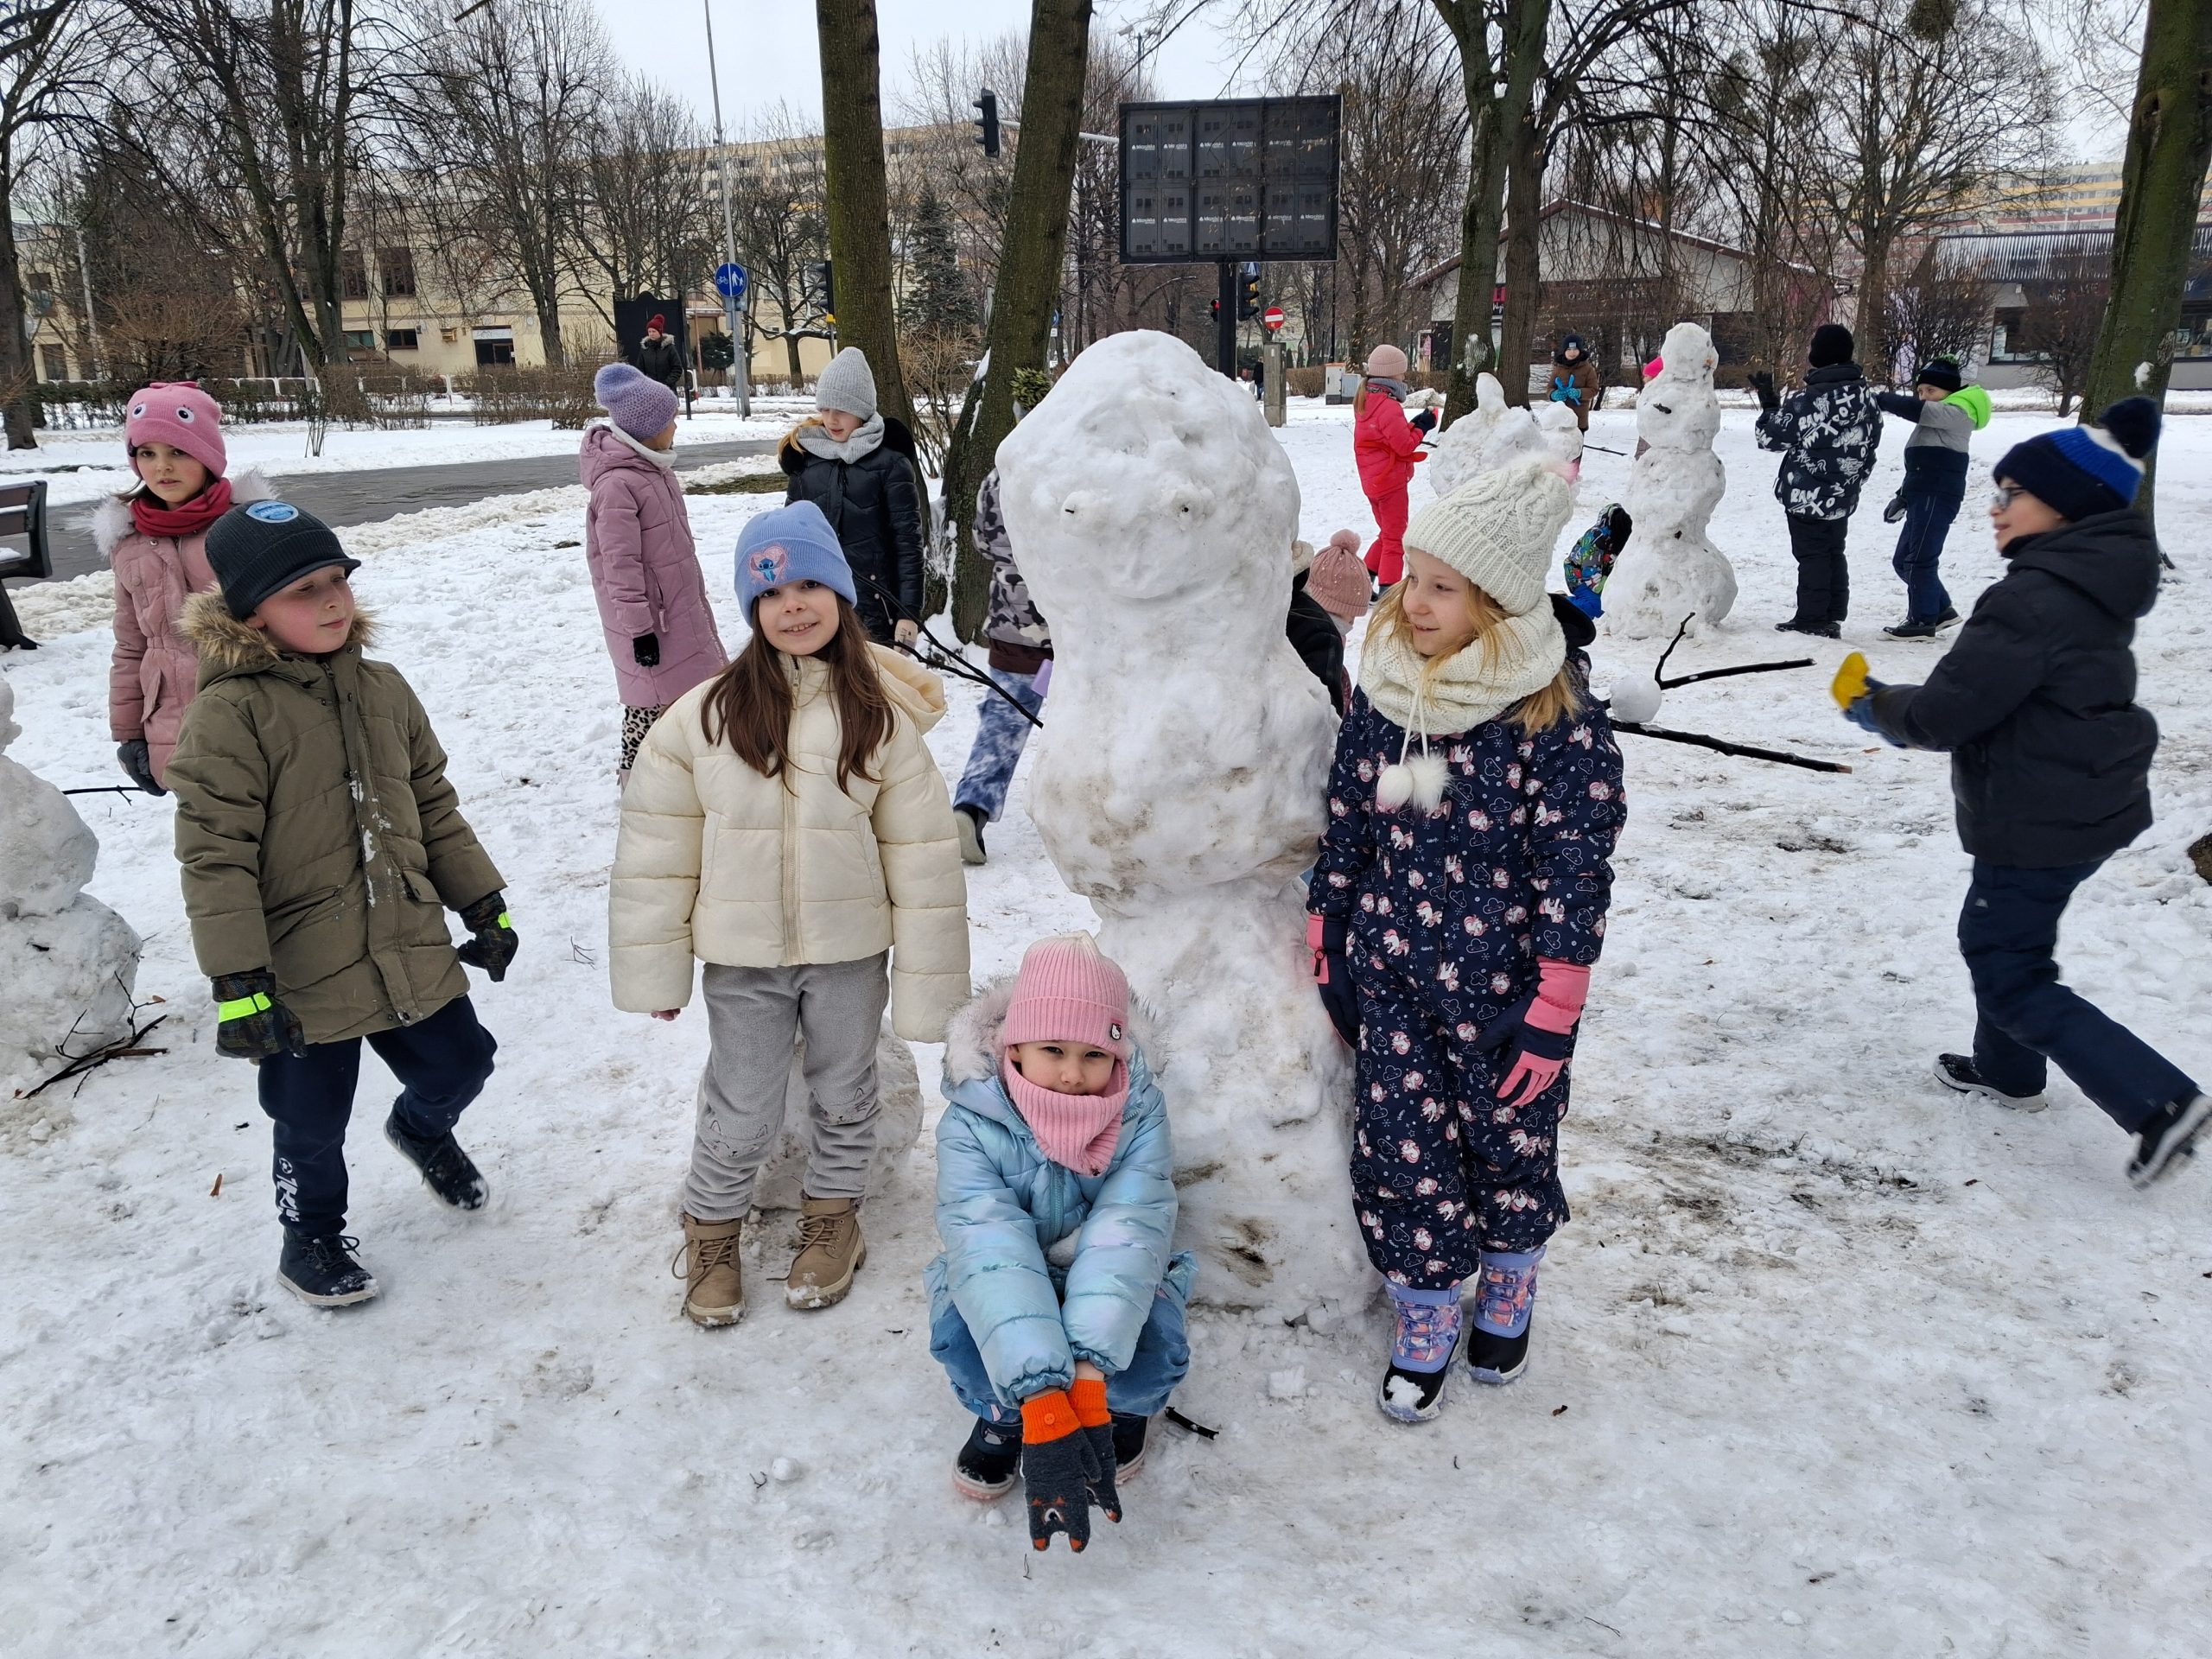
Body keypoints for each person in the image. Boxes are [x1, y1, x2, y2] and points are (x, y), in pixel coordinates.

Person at [1307, 458, 1625, 1423]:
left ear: (1497, 603)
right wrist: (1330, 922)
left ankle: (1510, 1279)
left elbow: (1576, 865)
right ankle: (1426, 1307)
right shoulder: (1386, 688)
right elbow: (1350, 818)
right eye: (1412, 579)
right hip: (1394, 973)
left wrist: (1556, 1002)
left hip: (1508, 992)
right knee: (1401, 1148)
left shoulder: (1552, 720)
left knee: (1507, 1144)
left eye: (1443, 588)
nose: (1415, 603)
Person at [611, 501, 969, 1325]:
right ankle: (710, 1228)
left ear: (841, 596)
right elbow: (655, 854)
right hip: (740, 961)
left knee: (846, 1095)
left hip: (849, 954)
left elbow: (923, 861)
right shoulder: (702, 718)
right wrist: (657, 969)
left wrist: (929, 992)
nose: (794, 606)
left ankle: (833, 1222)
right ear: (751, 610)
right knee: (741, 1103)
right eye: (772, 593)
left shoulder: (879, 718)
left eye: (811, 584)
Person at [1837, 397, 2207, 1188]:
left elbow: (1943, 714)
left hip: (2039, 812)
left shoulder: (2030, 599)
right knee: (2009, 939)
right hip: (2081, 800)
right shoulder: (2087, 585)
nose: (1995, 508)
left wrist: (1871, 704)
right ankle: (2007, 1070)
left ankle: (2161, 1102)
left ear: (2066, 506)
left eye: (2013, 494)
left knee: (2007, 966)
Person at [167, 503, 516, 1308]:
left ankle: (422, 1130)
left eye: (336, 583)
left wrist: (483, 902)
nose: (330, 602)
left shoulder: (384, 688)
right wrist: (240, 983)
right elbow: (214, 856)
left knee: (465, 1063)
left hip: (403, 937)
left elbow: (431, 802)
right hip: (297, 969)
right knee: (311, 1122)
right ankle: (311, 1236)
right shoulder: (230, 715)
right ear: (252, 612)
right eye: (302, 591)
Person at [925, 932, 1192, 1553]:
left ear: (1120, 1055)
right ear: (1013, 1046)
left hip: (1109, 1279)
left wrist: (1091, 1370)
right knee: (968, 1343)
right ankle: (1007, 1414)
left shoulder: (1138, 1112)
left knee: (1148, 1354)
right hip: (1005, 1275)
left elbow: (1131, 1228)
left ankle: (1120, 1411)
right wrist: (1044, 1392)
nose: (1074, 1075)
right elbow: (989, 1242)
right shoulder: (971, 1123)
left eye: (1095, 1055)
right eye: (1053, 1050)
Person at [99, 383, 278, 793]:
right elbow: (131, 645)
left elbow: (291, 625)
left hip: (257, 715)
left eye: (177, 451)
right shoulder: (129, 544)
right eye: (147, 453)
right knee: (209, 846)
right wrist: (129, 734)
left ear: (207, 456)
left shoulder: (249, 527)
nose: (162, 467)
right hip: (174, 724)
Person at [581, 363, 727, 783]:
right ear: (648, 428)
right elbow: (618, 566)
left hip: (678, 610)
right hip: (651, 626)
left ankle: (696, 776)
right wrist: (639, 630)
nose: (676, 425)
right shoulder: (618, 486)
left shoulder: (654, 471)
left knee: (694, 696)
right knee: (649, 704)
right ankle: (637, 783)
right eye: (670, 419)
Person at [780, 346, 927, 648]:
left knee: (871, 690)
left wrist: (908, 613)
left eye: (842, 410)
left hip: (874, 610)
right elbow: (790, 538)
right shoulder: (806, 461)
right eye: (825, 409)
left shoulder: (890, 464)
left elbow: (908, 543)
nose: (831, 419)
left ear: (861, 410)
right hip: (817, 607)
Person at [1751, 322, 1881, 639]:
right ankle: (1833, 611)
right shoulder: (1866, 398)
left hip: (1807, 493)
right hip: (1844, 491)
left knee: (1812, 555)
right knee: (1834, 549)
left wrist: (1769, 404)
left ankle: (1812, 619)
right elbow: (1871, 441)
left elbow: (1769, 438)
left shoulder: (1809, 400)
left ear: (1818, 356)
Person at [952, 467, 1050, 866]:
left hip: (1017, 629)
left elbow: (984, 540)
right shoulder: (1091, 458)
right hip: (1084, 633)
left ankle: (971, 807)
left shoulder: (1002, 474)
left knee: (1005, 721)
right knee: (1100, 722)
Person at [1872, 356, 1991, 639]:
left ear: (1950, 392)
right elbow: (1921, 466)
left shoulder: (1959, 413)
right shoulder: (1938, 418)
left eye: (1932, 391)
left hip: (1937, 496)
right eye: (1922, 391)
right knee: (1903, 561)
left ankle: (1922, 621)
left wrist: (1880, 398)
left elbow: (1915, 410)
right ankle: (1941, 610)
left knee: (1919, 561)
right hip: (1922, 495)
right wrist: (1903, 497)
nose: (1925, 397)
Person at [1352, 345, 1433, 588]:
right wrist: (1423, 427)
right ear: (1391, 374)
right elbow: (1404, 447)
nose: (1404, 377)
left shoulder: (1368, 399)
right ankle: (1389, 590)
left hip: (1374, 480)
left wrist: (1412, 424)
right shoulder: (1388, 406)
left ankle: (1364, 583)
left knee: (1387, 533)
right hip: (1390, 481)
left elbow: (1385, 438)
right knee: (1396, 538)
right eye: (1401, 373)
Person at [1287, 537, 1349, 716]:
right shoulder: (1319, 631)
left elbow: (1323, 724)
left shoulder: (1318, 632)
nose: (1350, 625)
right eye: (1348, 617)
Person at [1562, 503, 1632, 620]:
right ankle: (1559, 602)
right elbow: (1591, 579)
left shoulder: (1620, 538)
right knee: (1599, 609)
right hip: (1579, 578)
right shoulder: (1597, 539)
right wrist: (1614, 585)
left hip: (1603, 577)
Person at [1548, 334, 1600, 433]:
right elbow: (1550, 388)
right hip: (1560, 419)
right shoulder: (1558, 369)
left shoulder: (1588, 369)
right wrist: (1553, 395)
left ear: (1580, 350)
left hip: (1579, 420)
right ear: (1564, 351)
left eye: (1575, 349)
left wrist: (1579, 393)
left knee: (1576, 446)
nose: (1572, 352)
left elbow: (1594, 390)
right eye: (1569, 349)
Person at [630, 315, 687, 394]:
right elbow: (640, 369)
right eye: (649, 331)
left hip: (668, 390)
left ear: (660, 332)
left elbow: (677, 369)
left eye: (654, 331)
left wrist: (667, 383)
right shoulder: (645, 349)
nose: (651, 334)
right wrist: (645, 383)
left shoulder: (669, 348)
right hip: (650, 390)